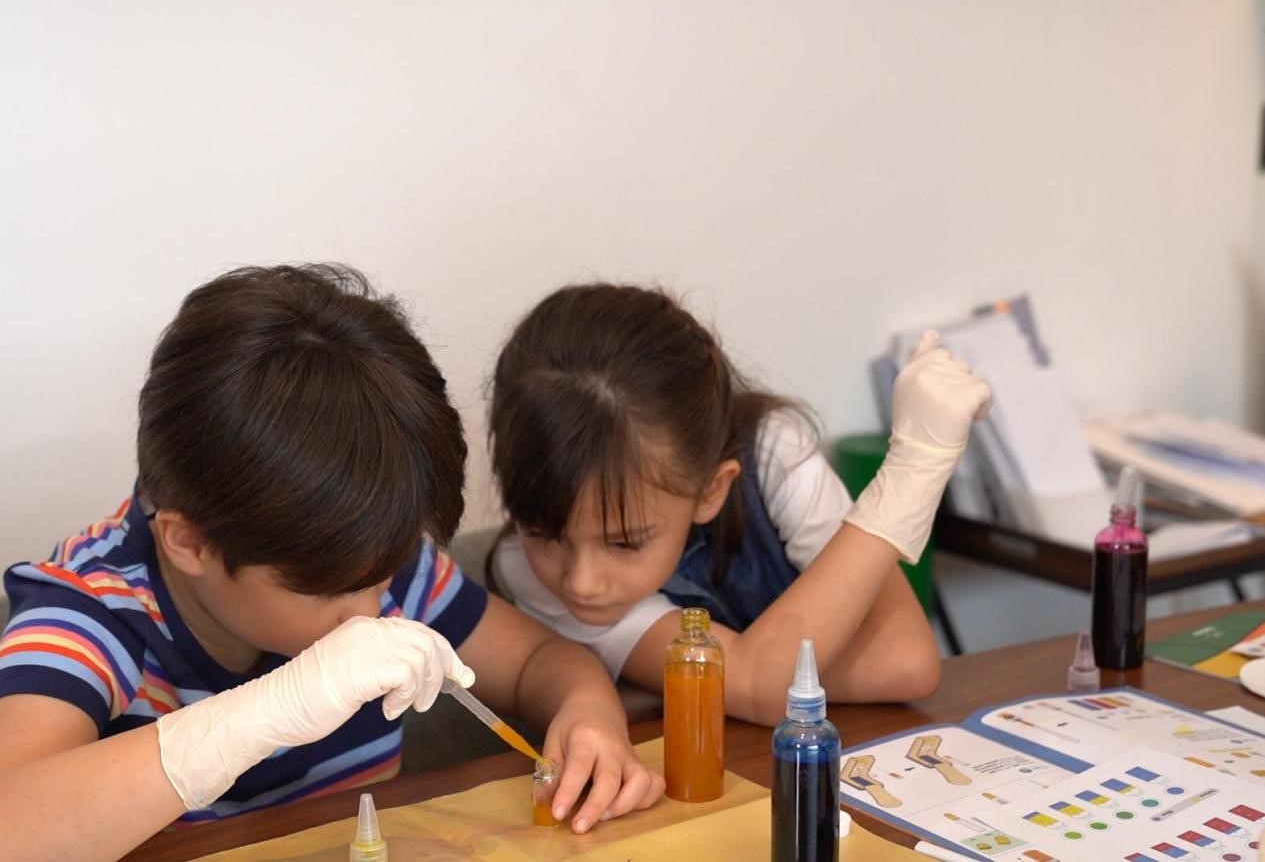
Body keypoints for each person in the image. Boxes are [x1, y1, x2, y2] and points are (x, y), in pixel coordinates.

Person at [0, 265, 663, 860]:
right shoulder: (92, 611)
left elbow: (539, 662)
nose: (372, 610)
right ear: (191, 542)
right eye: (333, 590)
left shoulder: (370, 550)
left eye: (383, 577)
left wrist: (588, 715)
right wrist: (274, 707)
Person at [488, 283, 991, 726]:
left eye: (624, 542)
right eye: (544, 533)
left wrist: (741, 674)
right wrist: (911, 473)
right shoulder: (527, 569)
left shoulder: (773, 452)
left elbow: (905, 662)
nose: (581, 581)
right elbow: (762, 688)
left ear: (711, 489)